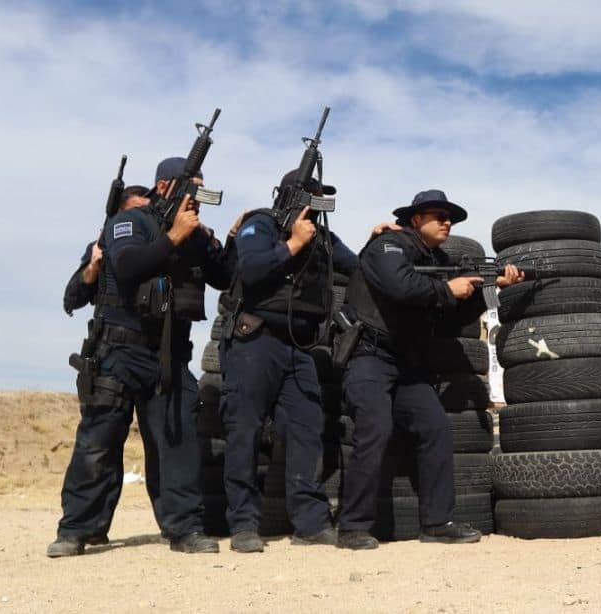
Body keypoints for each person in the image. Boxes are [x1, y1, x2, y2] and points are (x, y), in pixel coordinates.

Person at [49, 158, 235, 557]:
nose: (199, 198)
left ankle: (184, 529)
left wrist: (228, 238)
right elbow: (129, 266)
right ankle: (78, 530)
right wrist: (173, 238)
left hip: (168, 356)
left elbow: (228, 276)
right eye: (193, 188)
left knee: (178, 442)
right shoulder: (129, 223)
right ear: (166, 186)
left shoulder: (194, 232)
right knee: (98, 442)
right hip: (117, 351)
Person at [335, 190, 522, 550]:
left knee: (436, 428)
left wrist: (488, 288)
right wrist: (448, 287)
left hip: (407, 363)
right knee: (375, 428)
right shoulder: (387, 245)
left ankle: (437, 523)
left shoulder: (435, 259)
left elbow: (448, 318)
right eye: (439, 215)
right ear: (416, 219)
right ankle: (353, 526)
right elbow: (401, 286)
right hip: (368, 355)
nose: (447, 222)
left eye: (450, 217)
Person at [219, 170, 359, 553]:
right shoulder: (261, 223)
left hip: (298, 348)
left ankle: (310, 524)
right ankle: (244, 525)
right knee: (244, 431)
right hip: (255, 340)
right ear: (291, 196)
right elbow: (249, 269)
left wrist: (387, 241)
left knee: (306, 429)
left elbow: (358, 267)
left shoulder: (323, 238)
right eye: (311, 194)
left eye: (321, 196)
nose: (317, 202)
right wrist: (293, 245)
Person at [64, 186, 153, 316]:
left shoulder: (161, 244)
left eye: (145, 212)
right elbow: (72, 300)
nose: (137, 218)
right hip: (112, 330)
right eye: (133, 212)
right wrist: (93, 266)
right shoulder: (100, 247)